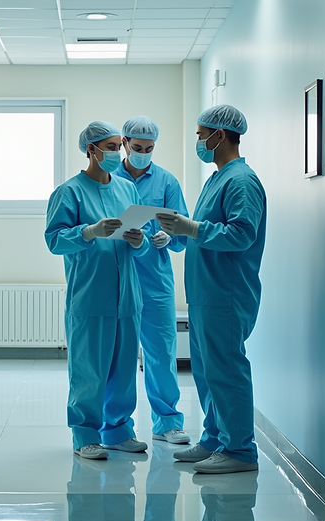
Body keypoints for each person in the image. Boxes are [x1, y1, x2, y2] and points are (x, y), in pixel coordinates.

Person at [156, 105, 266, 474]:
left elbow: (241, 234)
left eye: (201, 135)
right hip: (206, 293)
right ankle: (215, 438)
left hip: (226, 294)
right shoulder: (217, 178)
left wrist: (191, 228)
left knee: (227, 372)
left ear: (219, 135)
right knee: (207, 373)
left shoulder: (241, 181)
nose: (199, 142)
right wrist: (183, 228)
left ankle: (240, 450)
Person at [45, 120, 151, 460]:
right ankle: (85, 435)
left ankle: (118, 431)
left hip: (127, 298)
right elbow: (54, 241)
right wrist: (89, 232)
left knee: (124, 369)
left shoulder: (127, 190)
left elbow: (143, 243)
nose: (117, 153)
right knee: (88, 370)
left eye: (119, 147)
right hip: (91, 296)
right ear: (91, 149)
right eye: (110, 147)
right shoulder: (69, 192)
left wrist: (140, 241)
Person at [112, 116, 191, 446]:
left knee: (161, 352)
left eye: (149, 149)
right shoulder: (108, 179)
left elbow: (183, 235)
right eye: (138, 148)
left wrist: (168, 237)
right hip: (118, 276)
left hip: (155, 281)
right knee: (119, 355)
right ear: (125, 143)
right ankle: (116, 427)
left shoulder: (166, 182)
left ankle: (167, 422)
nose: (143, 154)